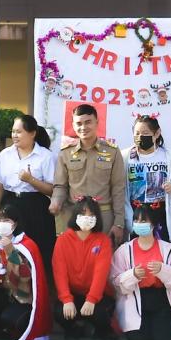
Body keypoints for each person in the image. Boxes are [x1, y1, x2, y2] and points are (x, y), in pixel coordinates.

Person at [0, 203, 52, 340]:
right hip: (2, 296)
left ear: (15, 224)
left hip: (22, 300)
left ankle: (14, 330)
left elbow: (26, 276)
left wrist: (10, 251)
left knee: (10, 318)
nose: (1, 224)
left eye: (6, 220)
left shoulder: (27, 246)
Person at [50, 103, 128, 246]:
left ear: (97, 122)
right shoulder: (65, 153)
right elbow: (60, 186)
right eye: (79, 123)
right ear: (73, 125)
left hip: (103, 216)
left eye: (88, 122)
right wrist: (56, 201)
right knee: (74, 257)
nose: (83, 127)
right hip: (74, 216)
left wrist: (118, 223)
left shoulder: (112, 152)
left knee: (103, 257)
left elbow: (118, 188)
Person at [111, 207, 171, 340]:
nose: (139, 224)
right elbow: (115, 282)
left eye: (143, 221)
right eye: (136, 220)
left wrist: (163, 271)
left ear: (153, 224)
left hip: (161, 299)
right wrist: (132, 275)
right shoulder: (124, 251)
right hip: (136, 299)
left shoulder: (169, 250)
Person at [0, 113, 57, 270]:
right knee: (7, 247)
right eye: (13, 131)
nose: (14, 135)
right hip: (9, 204)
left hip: (36, 207)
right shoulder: (5, 155)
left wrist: (31, 180)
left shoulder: (46, 156)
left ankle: (35, 281)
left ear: (32, 133)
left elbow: (52, 190)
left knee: (37, 248)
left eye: (19, 132)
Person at [50, 198, 114, 340]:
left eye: (91, 215)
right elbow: (59, 273)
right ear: (75, 215)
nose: (87, 218)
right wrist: (66, 299)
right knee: (60, 312)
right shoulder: (62, 240)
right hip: (73, 293)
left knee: (100, 313)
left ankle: (102, 331)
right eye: (83, 214)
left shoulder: (103, 241)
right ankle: (73, 330)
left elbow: (101, 273)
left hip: (98, 295)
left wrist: (91, 299)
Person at [126, 115, 171, 248]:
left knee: (163, 253)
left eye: (145, 133)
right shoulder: (125, 157)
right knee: (138, 252)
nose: (140, 137)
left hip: (162, 216)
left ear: (157, 133)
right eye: (137, 133)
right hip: (136, 216)